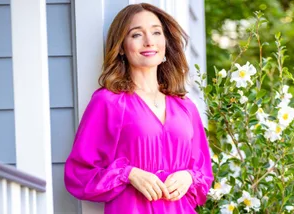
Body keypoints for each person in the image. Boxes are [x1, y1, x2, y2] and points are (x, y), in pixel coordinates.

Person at [64, 3, 213, 214]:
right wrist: (129, 174)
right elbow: (79, 174)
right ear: (122, 47)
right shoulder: (108, 102)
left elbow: (204, 175)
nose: (149, 41)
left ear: (165, 42)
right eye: (136, 34)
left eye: (156, 32)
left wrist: (189, 177)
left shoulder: (186, 107)